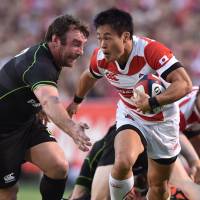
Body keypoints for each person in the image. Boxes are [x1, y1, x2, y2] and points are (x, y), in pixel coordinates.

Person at [67, 8, 192, 200]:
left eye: (107, 38)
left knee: (159, 187)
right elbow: (88, 77)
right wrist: (76, 102)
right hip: (131, 115)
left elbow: (184, 84)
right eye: (99, 38)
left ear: (125, 37)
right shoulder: (101, 58)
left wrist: (153, 101)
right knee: (123, 160)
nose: (102, 45)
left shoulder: (151, 51)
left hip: (163, 121)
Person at [0, 14, 92, 200]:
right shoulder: (40, 64)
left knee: (58, 166)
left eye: (82, 45)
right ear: (56, 40)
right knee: (9, 192)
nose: (81, 51)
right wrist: (73, 129)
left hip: (25, 123)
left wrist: (36, 107)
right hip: (3, 133)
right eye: (75, 43)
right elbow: (49, 101)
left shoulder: (48, 57)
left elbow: (28, 86)